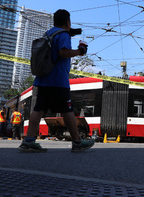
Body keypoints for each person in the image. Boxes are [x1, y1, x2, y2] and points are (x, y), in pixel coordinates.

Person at [18, 9, 95, 153]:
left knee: (38, 109)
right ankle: (77, 142)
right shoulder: (64, 35)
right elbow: (63, 52)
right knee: (67, 110)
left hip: (43, 80)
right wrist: (80, 51)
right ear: (67, 22)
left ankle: (28, 141)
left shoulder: (49, 33)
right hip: (58, 81)